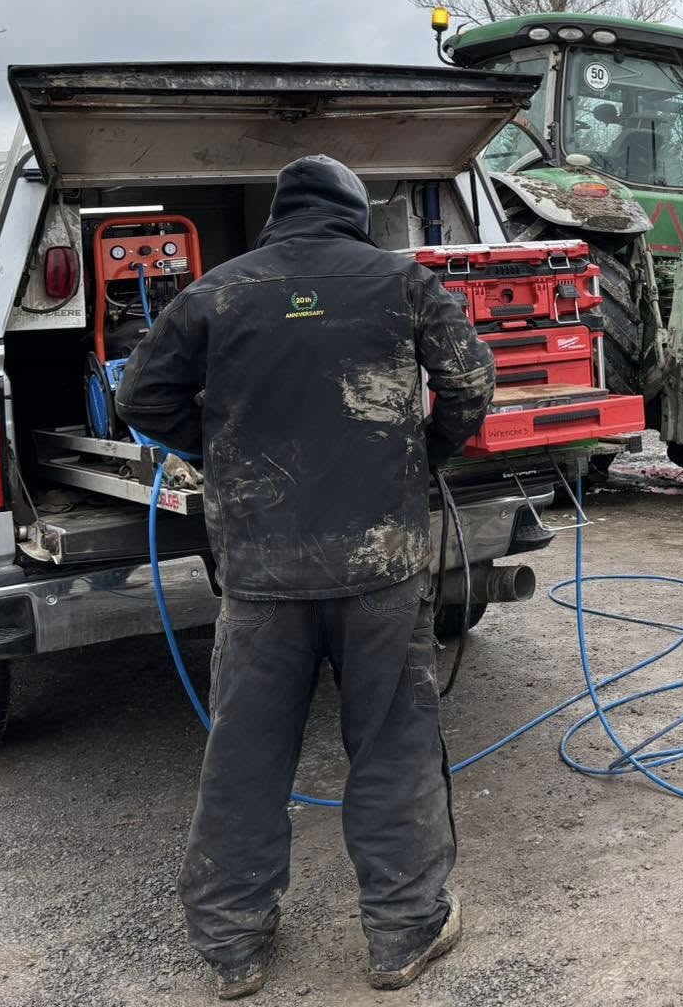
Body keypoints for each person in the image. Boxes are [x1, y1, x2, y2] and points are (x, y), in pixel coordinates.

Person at [116, 155, 496, 999]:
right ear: (355, 214)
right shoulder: (401, 282)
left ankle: (232, 947)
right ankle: (403, 934)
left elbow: (140, 397)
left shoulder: (215, 293)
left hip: (260, 571)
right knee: (395, 746)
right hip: (380, 568)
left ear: (277, 218)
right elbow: (470, 380)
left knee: (245, 755)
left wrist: (220, 449)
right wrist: (424, 452)